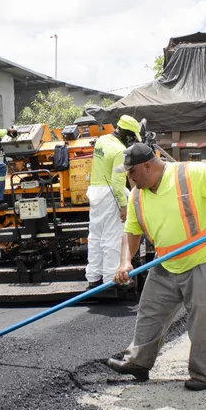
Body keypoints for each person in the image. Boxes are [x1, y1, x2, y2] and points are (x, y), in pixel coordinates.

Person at [105, 143, 206, 391]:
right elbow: (131, 232)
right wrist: (125, 262)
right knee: (150, 313)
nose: (129, 178)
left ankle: (203, 374)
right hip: (167, 263)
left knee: (204, 316)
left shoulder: (189, 173)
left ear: (147, 166)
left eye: (131, 172)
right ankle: (138, 362)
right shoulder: (137, 195)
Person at [85, 115, 142, 288]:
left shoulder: (101, 141)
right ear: (126, 133)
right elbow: (117, 183)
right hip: (110, 194)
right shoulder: (120, 151)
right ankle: (112, 279)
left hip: (95, 190)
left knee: (95, 236)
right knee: (113, 237)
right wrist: (124, 206)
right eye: (132, 137)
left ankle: (93, 277)